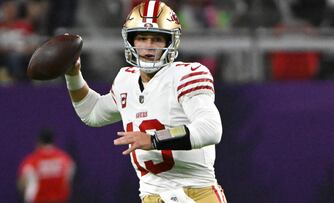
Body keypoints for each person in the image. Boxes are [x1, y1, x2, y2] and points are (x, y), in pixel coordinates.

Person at [65, 0, 227, 202]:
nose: (148, 47)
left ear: (170, 42)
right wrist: (73, 74)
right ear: (131, 41)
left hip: (195, 193)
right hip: (151, 196)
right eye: (142, 38)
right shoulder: (126, 80)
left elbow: (211, 129)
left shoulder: (186, 75)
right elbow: (92, 112)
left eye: (157, 39)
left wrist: (154, 139)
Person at [17, 129, 76, 203]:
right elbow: (68, 183)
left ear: (39, 142)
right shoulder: (66, 160)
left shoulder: (31, 161)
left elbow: (22, 184)